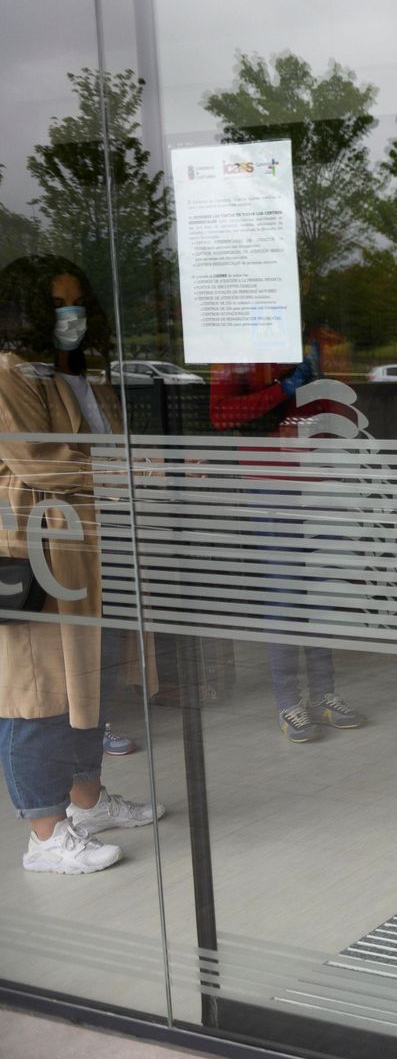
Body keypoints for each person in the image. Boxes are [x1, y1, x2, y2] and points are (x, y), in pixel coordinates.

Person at [0, 256, 163, 874]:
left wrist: (113, 471)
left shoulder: (81, 375)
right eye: (59, 307)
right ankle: (45, 834)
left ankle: (87, 803)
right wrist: (114, 472)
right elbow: (44, 464)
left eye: (79, 306)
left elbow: (115, 453)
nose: (73, 319)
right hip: (37, 551)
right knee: (37, 691)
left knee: (87, 679)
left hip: (87, 542)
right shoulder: (9, 372)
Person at [210, 327, 367, 743]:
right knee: (285, 593)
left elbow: (337, 406)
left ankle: (324, 693)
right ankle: (287, 702)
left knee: (318, 590)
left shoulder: (317, 338)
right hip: (271, 483)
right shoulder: (239, 349)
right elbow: (222, 415)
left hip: (319, 480)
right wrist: (283, 389)